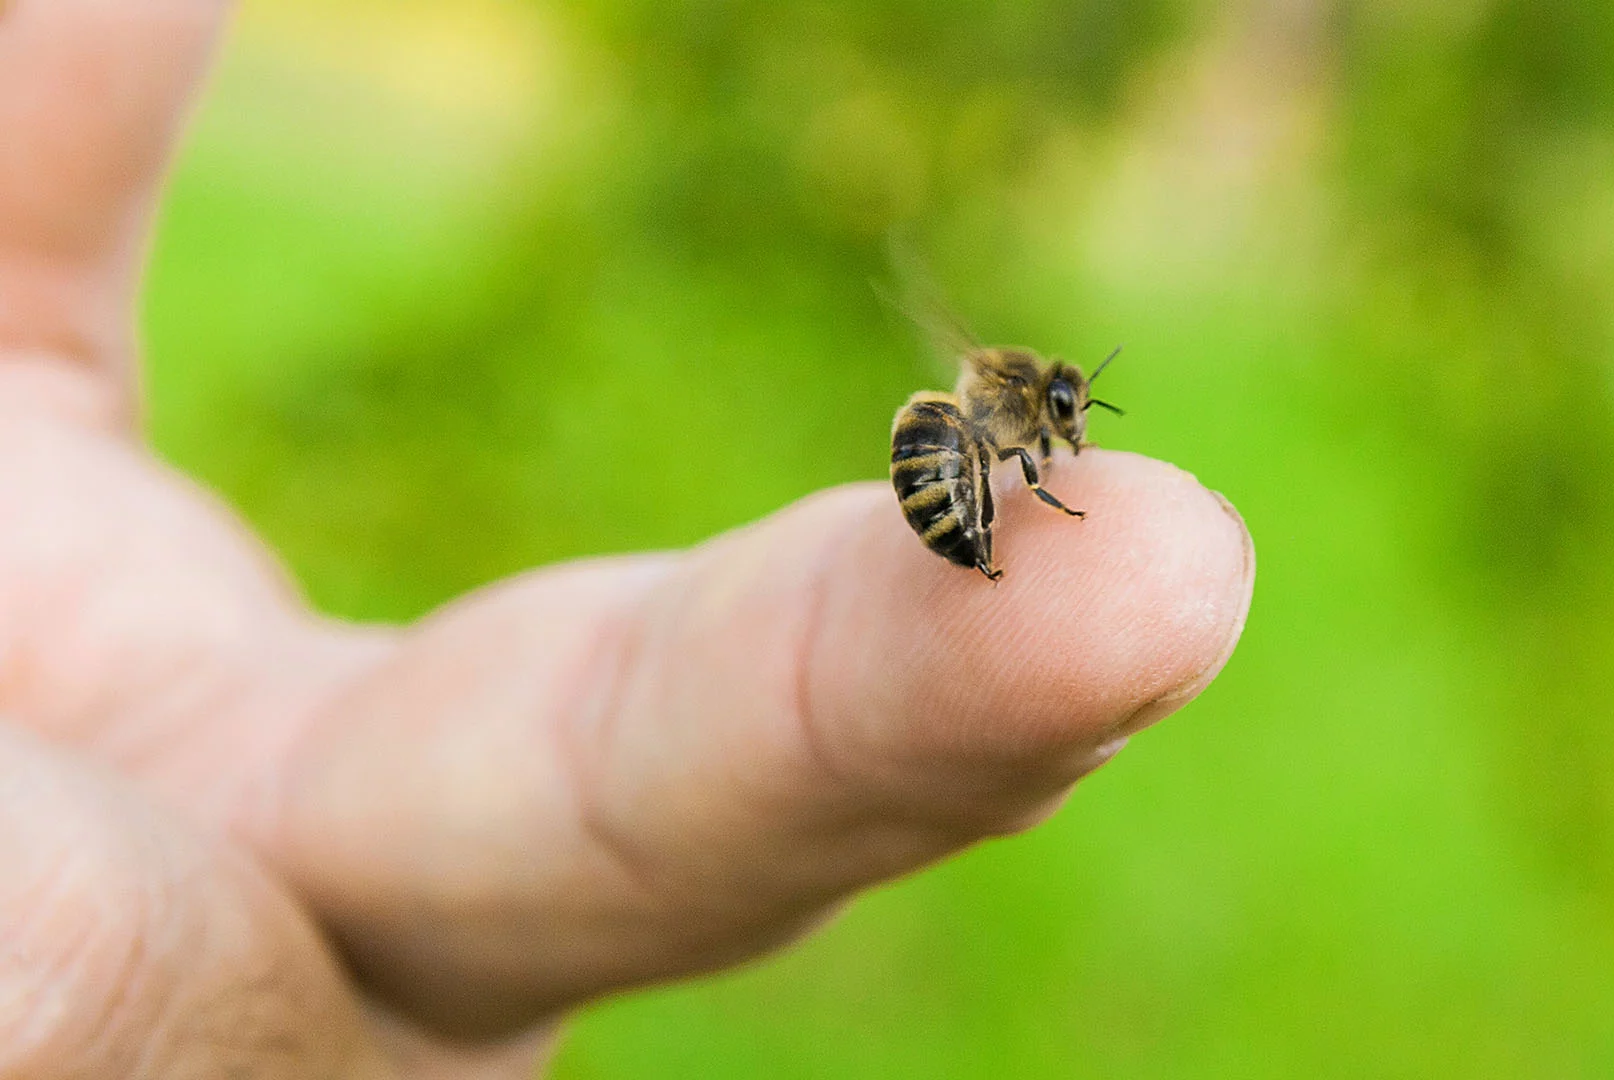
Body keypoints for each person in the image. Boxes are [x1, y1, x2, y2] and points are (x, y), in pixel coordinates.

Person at [0, 2, 1253, 1076]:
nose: (1074, 433)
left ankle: (973, 543)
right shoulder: (1007, 414)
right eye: (1069, 419)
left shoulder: (1013, 415)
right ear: (1045, 405)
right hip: (942, 454)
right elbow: (990, 439)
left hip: (943, 459)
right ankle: (970, 542)